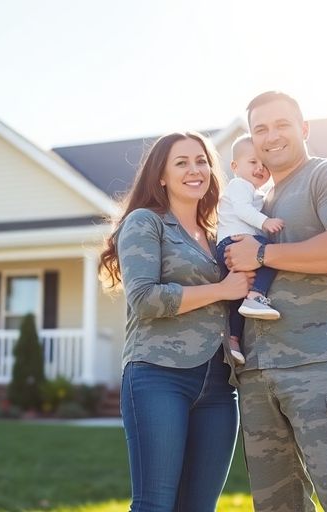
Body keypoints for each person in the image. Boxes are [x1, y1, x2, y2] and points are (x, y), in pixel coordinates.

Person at [225, 91, 327, 512]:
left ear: (304, 128)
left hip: (322, 365)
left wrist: (262, 254)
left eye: (281, 125)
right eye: (260, 130)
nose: (271, 136)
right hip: (257, 374)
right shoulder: (258, 202)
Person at [99, 131, 252, 511]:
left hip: (219, 384)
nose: (194, 169)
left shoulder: (220, 235)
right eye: (181, 163)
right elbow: (145, 299)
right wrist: (222, 290)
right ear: (161, 176)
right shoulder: (145, 223)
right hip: (158, 375)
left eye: (201, 161)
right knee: (155, 504)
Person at [216, 133, 284, 365]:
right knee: (271, 254)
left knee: (237, 298)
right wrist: (265, 223)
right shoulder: (239, 185)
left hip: (234, 243)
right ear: (235, 166)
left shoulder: (256, 192)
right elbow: (244, 211)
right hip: (234, 243)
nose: (259, 168)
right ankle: (257, 296)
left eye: (264, 164)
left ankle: (233, 342)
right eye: (252, 162)